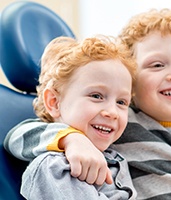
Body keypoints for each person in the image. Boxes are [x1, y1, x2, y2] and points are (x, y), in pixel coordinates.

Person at [4, 8, 171, 199]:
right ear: (131, 85)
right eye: (157, 65)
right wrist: (71, 139)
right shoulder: (121, 122)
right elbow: (18, 135)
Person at [16, 35, 138, 199]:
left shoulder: (111, 154)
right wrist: (70, 138)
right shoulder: (54, 166)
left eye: (122, 102)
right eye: (96, 96)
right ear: (54, 102)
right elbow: (17, 137)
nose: (113, 112)